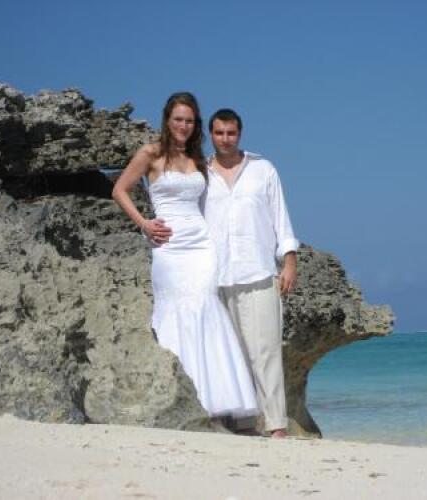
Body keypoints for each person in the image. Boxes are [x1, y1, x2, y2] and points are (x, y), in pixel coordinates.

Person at [111, 93, 257, 425]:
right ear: (167, 119)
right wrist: (144, 224)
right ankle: (179, 394)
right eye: (178, 119)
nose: (183, 125)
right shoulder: (150, 153)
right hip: (169, 246)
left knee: (205, 307)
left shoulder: (197, 159)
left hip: (201, 247)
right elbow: (119, 190)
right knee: (174, 310)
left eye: (189, 121)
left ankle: (216, 402)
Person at [204, 108, 299, 438]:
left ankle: (276, 426)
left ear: (239, 134)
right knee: (230, 355)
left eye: (231, 133)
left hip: (258, 271)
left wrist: (289, 261)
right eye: (219, 133)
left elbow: (280, 218)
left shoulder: (263, 169)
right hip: (216, 276)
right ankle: (243, 424)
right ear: (211, 135)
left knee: (266, 351)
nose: (225, 139)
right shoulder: (201, 174)